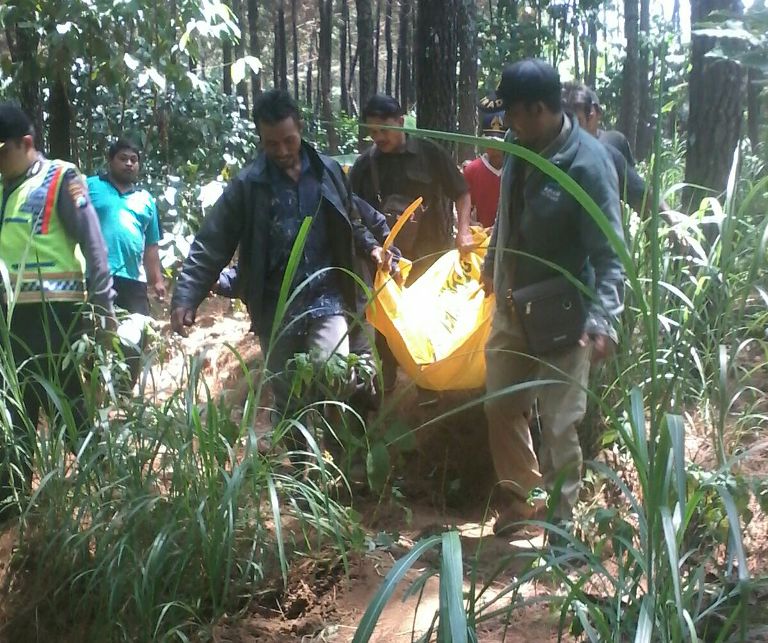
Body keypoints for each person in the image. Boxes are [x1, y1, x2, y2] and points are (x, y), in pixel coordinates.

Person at [170, 90, 391, 448]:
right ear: (261, 140)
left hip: (328, 295)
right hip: (276, 305)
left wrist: (374, 247)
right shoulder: (248, 185)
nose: (284, 151)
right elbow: (212, 241)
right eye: (273, 144)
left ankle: (340, 460)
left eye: (289, 140)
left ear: (300, 128)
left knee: (331, 369)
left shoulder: (328, 171)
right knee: (289, 395)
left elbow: (352, 217)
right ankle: (303, 475)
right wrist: (186, 296)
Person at [481, 61, 626, 536]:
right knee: (500, 403)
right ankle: (526, 499)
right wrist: (490, 267)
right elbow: (507, 214)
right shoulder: (520, 149)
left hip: (567, 316)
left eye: (514, 114)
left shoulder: (588, 164)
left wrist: (603, 318)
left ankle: (561, 529)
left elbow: (611, 254)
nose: (508, 124)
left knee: (560, 425)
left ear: (539, 109)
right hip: (513, 305)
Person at [0, 102, 115, 518]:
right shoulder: (5, 189)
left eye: (1, 150)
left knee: (71, 413)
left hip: (57, 321)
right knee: (16, 416)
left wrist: (105, 315)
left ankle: (107, 494)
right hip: (12, 325)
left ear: (25, 143)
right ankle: (11, 511)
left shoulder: (61, 179)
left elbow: (95, 248)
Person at [349, 94, 472, 395]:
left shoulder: (430, 153)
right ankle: (386, 384)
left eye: (385, 130)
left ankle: (428, 389)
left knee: (427, 325)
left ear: (401, 122)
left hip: (430, 260)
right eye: (372, 132)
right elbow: (350, 210)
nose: (378, 138)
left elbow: (462, 192)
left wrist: (464, 231)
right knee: (385, 326)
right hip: (383, 262)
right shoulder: (365, 165)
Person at [561, 82, 675, 224]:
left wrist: (671, 220)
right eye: (566, 124)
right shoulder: (552, 154)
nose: (572, 130)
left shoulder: (609, 150)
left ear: (592, 115)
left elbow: (638, 190)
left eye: (578, 122)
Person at [87, 138, 166, 316]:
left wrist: (157, 281)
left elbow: (151, 245)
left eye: (134, 160)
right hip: (95, 276)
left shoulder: (146, 199)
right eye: (123, 159)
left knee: (137, 335)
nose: (129, 163)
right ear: (110, 161)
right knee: (96, 334)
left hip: (133, 280)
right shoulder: (90, 186)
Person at [462, 93, 506, 228]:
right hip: (483, 240)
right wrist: (473, 225)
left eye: (499, 143)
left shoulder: (517, 169)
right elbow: (464, 211)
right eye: (490, 141)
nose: (494, 147)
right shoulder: (472, 170)